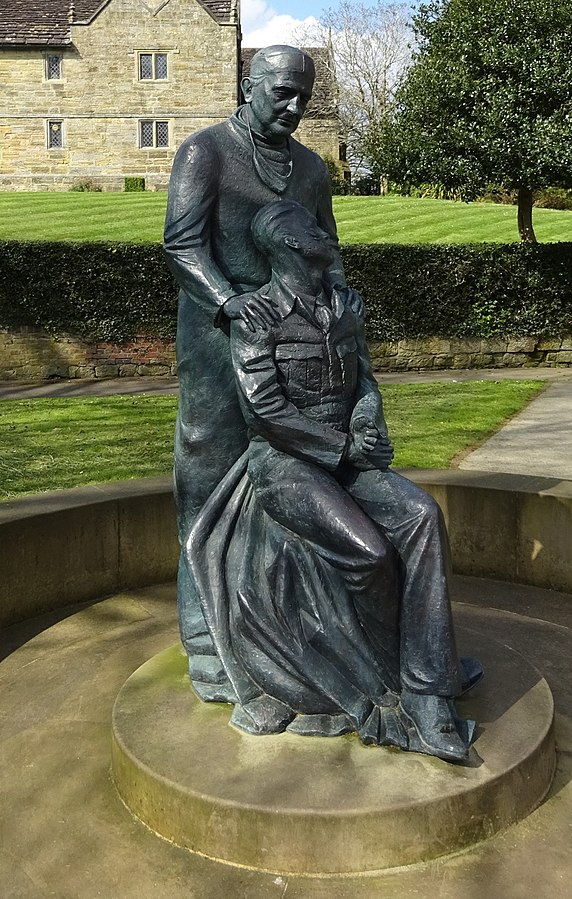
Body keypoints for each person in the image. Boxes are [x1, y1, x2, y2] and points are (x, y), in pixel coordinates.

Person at [184, 199, 480, 761]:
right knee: (369, 552)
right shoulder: (259, 316)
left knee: (422, 516)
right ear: (291, 244)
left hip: (345, 456)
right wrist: (340, 445)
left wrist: (368, 418)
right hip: (284, 464)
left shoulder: (346, 304)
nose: (323, 230)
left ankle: (428, 692)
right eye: (310, 227)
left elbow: (364, 378)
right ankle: (394, 672)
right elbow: (264, 410)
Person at [163, 46, 361, 699]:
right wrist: (228, 299)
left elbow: (326, 250)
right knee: (208, 469)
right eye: (281, 93)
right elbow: (182, 243)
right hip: (216, 331)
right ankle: (203, 639)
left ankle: (305, 630)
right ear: (248, 85)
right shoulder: (205, 153)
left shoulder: (309, 169)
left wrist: (339, 308)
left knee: (305, 472)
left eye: (302, 96)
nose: (294, 107)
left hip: (297, 335)